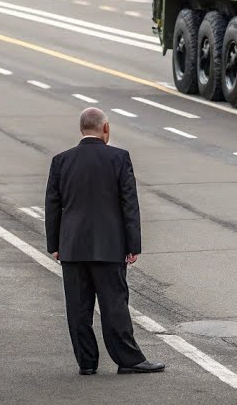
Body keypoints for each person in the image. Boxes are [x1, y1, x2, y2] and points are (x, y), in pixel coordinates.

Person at [45, 108, 165, 376]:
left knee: (77, 308)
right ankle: (128, 359)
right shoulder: (118, 158)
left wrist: (54, 243)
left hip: (72, 247)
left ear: (81, 129)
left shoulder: (61, 161)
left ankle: (87, 362)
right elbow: (129, 204)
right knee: (114, 305)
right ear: (106, 129)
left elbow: (53, 206)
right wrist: (133, 245)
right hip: (109, 246)